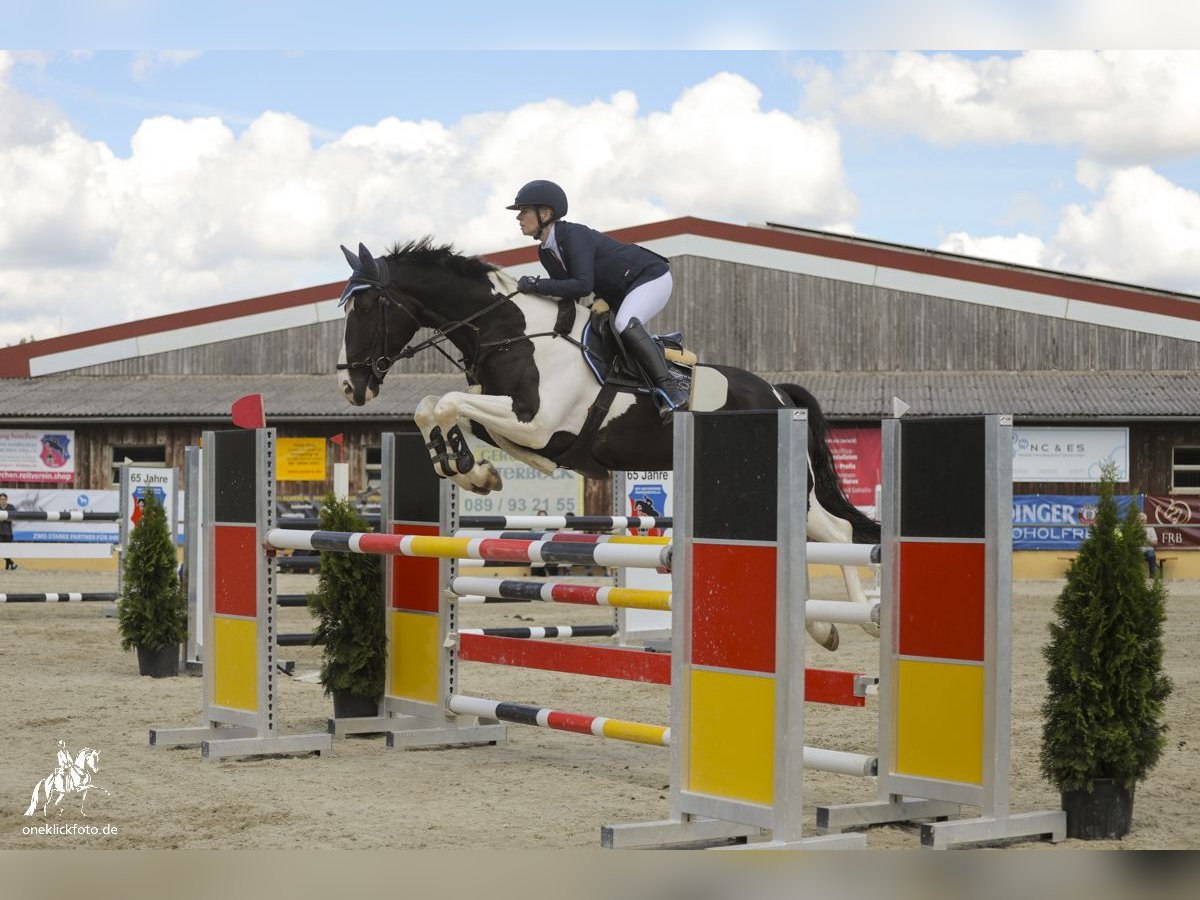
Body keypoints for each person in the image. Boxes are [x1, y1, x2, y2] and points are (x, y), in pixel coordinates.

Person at [507, 180, 689, 417]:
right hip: (621, 291)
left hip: (650, 276)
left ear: (545, 213)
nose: (518, 218)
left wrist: (536, 285)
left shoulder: (574, 235)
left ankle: (672, 391)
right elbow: (568, 293)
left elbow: (582, 285)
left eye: (524, 211)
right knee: (599, 330)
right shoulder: (545, 252)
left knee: (624, 323)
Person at [0, 492, 16, 570]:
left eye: (4, 499)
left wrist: (5, 518)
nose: (3, 501)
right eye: (1, 499)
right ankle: (12, 563)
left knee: (7, 551)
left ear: (7, 500)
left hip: (9, 532)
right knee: (1, 550)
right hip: (0, 533)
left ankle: (7, 568)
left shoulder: (11, 507)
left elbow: (15, 516)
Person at [1140, 511, 1159, 579]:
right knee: (1131, 554)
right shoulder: (1134, 528)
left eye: (1143, 520)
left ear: (1146, 520)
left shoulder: (1150, 528)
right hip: (1137, 549)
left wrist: (1147, 539)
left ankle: (1152, 576)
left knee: (1151, 555)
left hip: (1148, 549)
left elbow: (1155, 542)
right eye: (1140, 520)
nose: (1141, 522)